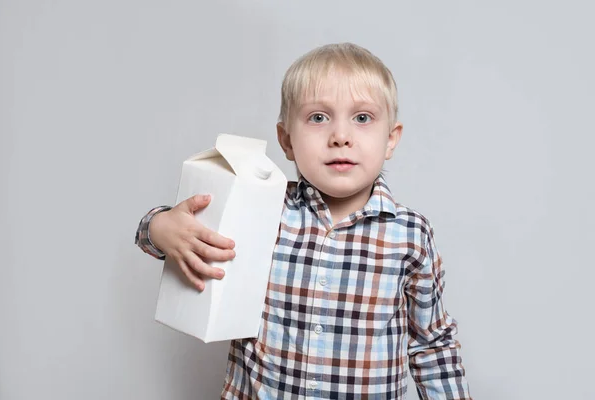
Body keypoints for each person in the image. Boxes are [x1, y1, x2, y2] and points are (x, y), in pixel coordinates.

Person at [135, 42, 472, 399]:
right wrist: (160, 227)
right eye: (318, 117)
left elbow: (433, 345)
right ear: (287, 140)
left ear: (390, 139)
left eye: (362, 118)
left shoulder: (410, 235)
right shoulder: (262, 208)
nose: (340, 137)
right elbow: (160, 235)